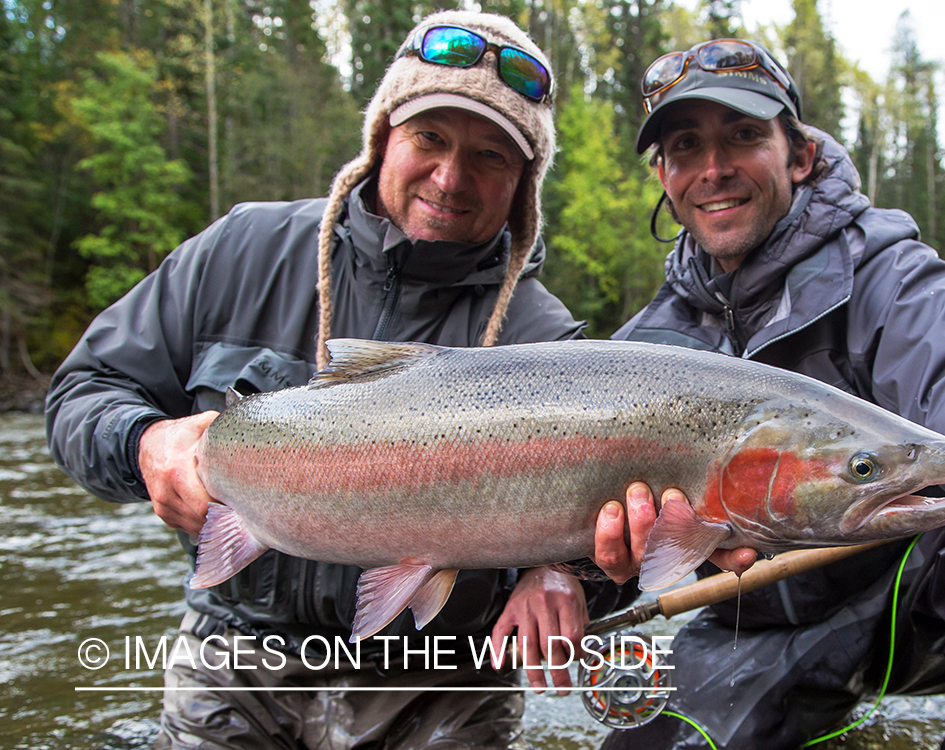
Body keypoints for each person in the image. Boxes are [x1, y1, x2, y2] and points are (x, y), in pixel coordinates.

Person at [45, 11, 640, 748]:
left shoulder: (543, 340)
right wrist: (144, 444)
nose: (452, 178)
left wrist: (572, 577)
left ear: (522, 183)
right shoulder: (242, 253)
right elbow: (82, 393)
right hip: (238, 658)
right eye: (430, 139)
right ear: (383, 134)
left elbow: (623, 530)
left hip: (442, 679)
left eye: (491, 156)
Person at [596, 37, 945, 750]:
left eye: (745, 136)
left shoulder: (891, 281)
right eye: (686, 146)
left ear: (800, 154)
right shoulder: (641, 348)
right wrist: (571, 576)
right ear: (662, 174)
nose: (714, 168)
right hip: (760, 618)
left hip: (922, 601)